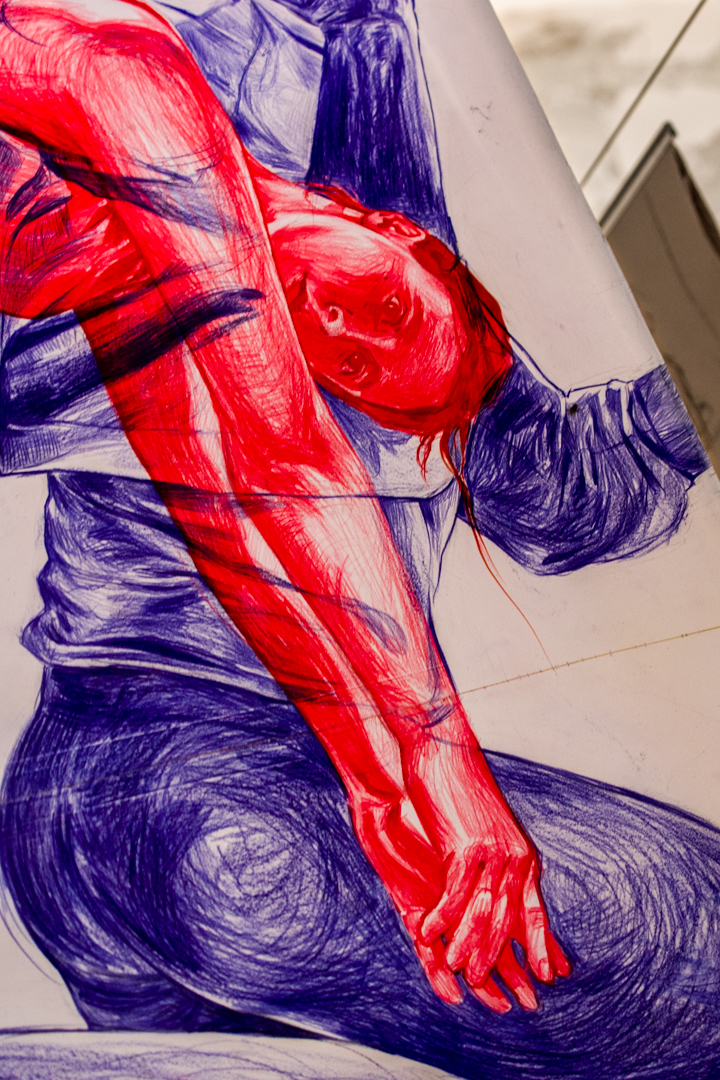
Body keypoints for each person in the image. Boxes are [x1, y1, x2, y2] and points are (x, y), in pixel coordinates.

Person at [1, 2, 720, 1078]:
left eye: (361, 374)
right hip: (180, 781)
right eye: (385, 308)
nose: (334, 335)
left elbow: (297, 476)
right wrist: (423, 772)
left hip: (133, 820)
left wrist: (390, 776)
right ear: (389, 229)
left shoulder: (163, 284)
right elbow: (279, 454)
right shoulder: (157, 103)